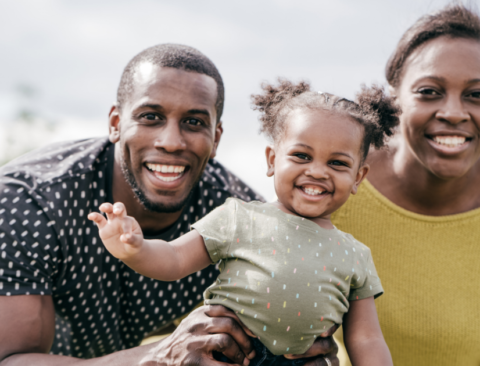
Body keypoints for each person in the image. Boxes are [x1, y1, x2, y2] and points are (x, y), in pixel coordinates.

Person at [0, 44, 334, 366]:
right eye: (150, 117)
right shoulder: (30, 202)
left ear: (215, 138)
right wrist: (160, 356)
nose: (171, 142)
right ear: (116, 124)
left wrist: (296, 348)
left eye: (193, 122)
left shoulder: (242, 221)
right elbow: (10, 360)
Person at [89, 79, 399, 366]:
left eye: (337, 163)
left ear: (358, 176)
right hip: (224, 354)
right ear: (272, 160)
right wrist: (134, 249)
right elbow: (173, 259)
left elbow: (366, 337)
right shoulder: (239, 218)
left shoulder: (356, 255)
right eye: (302, 156)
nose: (317, 172)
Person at [330, 4, 480, 366]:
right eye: (430, 91)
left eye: (477, 94)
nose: (454, 113)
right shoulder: (333, 187)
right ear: (395, 98)